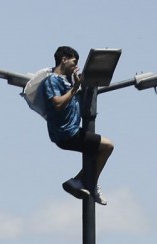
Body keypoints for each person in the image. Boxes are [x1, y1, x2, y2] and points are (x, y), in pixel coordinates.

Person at [44, 45, 114, 205]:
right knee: (108, 146)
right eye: (74, 62)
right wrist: (75, 87)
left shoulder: (66, 80)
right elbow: (57, 103)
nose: (76, 66)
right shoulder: (52, 80)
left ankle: (79, 181)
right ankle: (88, 182)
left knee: (98, 151)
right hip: (67, 133)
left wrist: (80, 83)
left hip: (72, 131)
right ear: (64, 59)